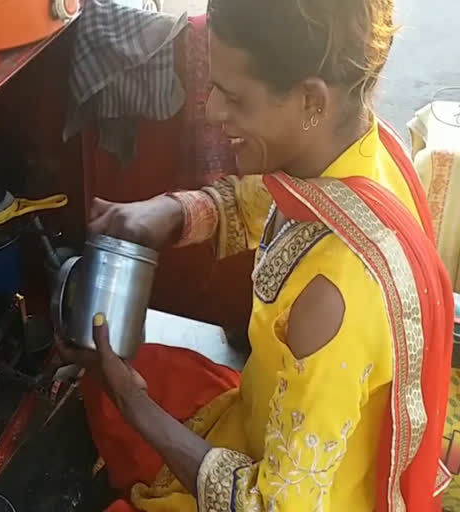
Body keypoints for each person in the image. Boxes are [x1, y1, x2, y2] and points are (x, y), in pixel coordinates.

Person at [57, 0, 456, 510]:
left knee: (123, 402)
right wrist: (170, 210)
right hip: (268, 418)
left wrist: (133, 402)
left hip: (307, 492)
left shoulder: (331, 301)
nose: (211, 110)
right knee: (122, 381)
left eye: (233, 96)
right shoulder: (361, 152)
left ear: (312, 100)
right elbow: (263, 200)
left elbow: (270, 505)